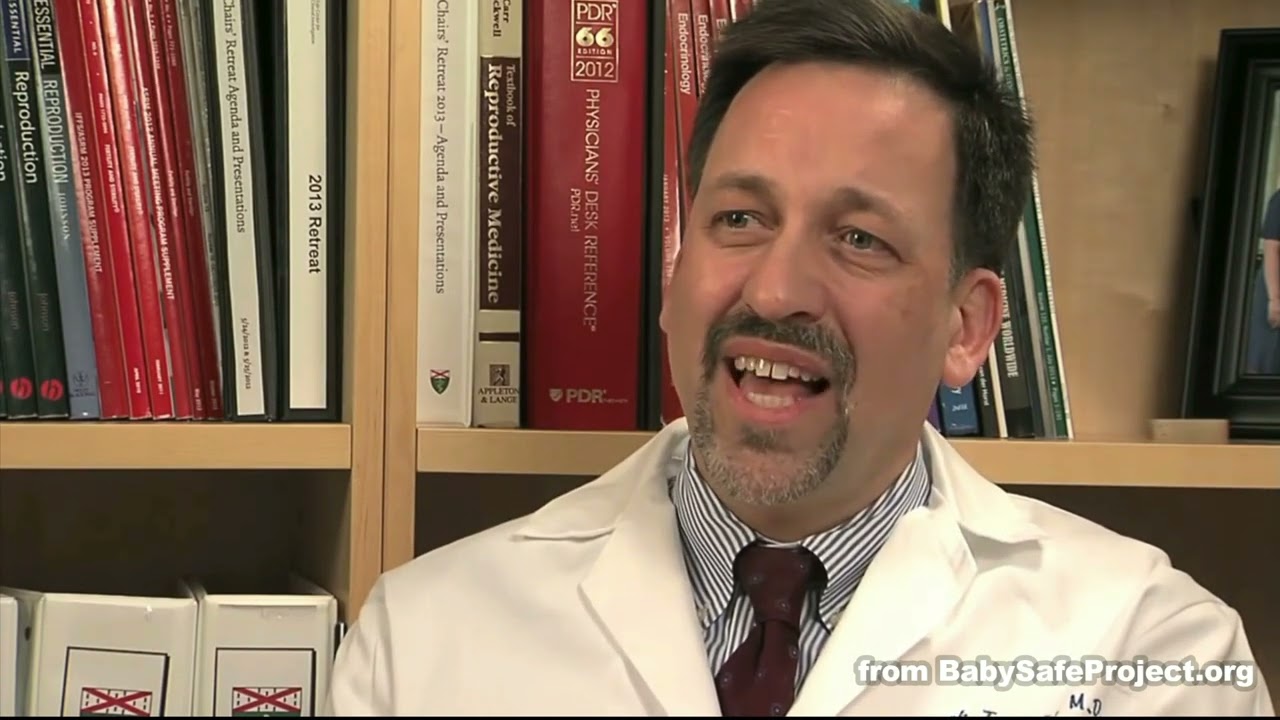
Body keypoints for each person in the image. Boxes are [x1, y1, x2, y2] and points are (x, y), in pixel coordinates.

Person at [326, 0, 1274, 714]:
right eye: (740, 218)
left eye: (860, 239)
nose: (776, 292)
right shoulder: (425, 642)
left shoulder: (1151, 656)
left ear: (967, 327)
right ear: (675, 274)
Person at [1245, 184, 1280, 374]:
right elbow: (1271, 249)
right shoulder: (1279, 201)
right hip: (1274, 284)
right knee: (1265, 357)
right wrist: (1274, 299)